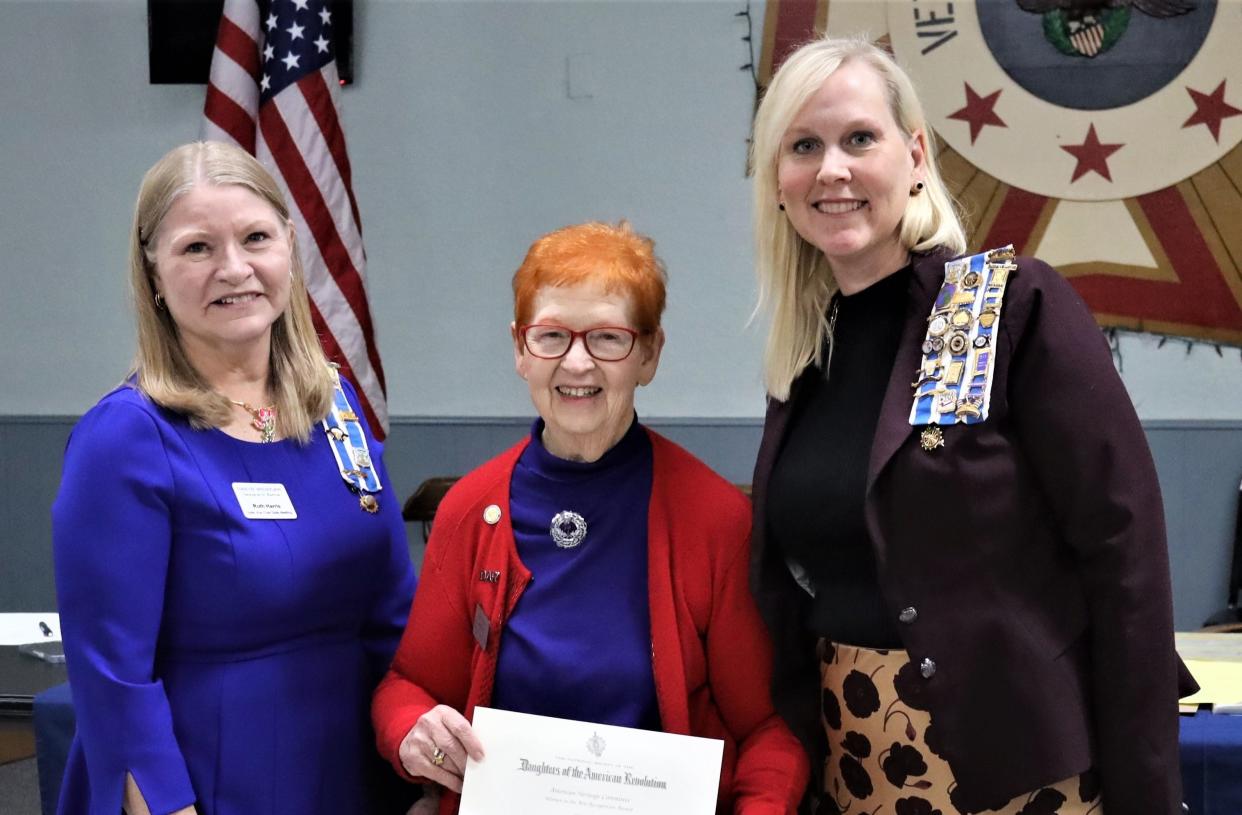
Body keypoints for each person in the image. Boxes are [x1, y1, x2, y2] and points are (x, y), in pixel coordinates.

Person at [746, 36, 1193, 815]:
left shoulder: (1001, 307)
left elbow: (1127, 557)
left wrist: (1146, 788)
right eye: (803, 146)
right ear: (778, 183)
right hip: (854, 761)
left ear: (914, 155)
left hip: (1017, 770)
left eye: (859, 139)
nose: (832, 170)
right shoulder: (807, 353)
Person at [371, 221, 809, 814]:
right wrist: (410, 733)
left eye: (607, 338)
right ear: (520, 350)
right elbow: (407, 688)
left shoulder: (715, 519)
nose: (576, 364)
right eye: (551, 336)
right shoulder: (471, 510)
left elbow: (768, 732)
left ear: (650, 354)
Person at [52, 141, 416, 815]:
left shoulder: (333, 406)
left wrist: (422, 769)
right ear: (154, 274)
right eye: (197, 248)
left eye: (256, 237)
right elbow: (114, 680)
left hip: (355, 769)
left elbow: (395, 614)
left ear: (288, 249)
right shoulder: (126, 438)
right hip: (207, 780)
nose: (235, 268)